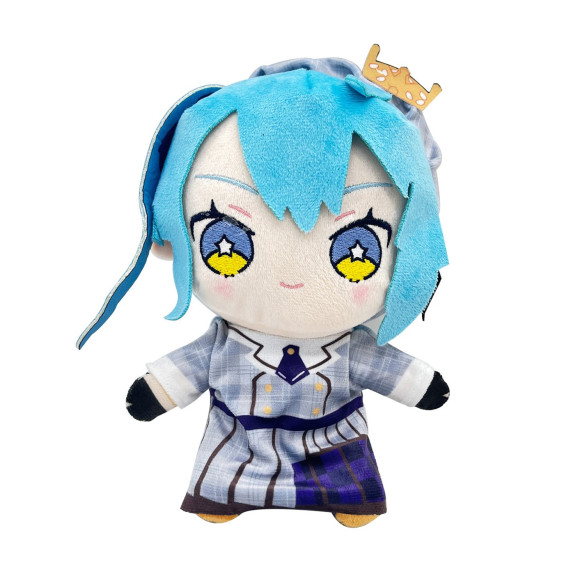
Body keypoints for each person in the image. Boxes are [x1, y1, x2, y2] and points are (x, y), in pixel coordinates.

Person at [79, 57, 450, 528]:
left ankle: (344, 498)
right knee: (221, 481)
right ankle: (224, 495)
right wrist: (158, 389)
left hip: (334, 449)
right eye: (225, 241)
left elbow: (387, 368)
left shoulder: (349, 349)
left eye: (356, 249)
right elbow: (190, 366)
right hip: (238, 447)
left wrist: (421, 385)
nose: (291, 278)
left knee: (350, 482)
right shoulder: (224, 343)